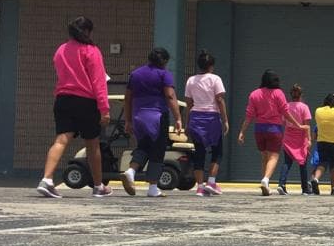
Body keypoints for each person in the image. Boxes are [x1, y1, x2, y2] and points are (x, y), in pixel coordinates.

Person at [36, 17, 109, 198]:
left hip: (63, 98)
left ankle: (46, 179)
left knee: (61, 140)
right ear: (88, 31)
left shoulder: (61, 50)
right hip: (85, 101)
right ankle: (98, 186)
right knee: (92, 144)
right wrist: (104, 109)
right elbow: (99, 82)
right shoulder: (91, 51)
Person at [121, 48, 183, 198]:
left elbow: (128, 98)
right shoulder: (164, 74)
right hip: (157, 116)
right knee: (157, 150)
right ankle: (153, 187)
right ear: (165, 61)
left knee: (144, 146)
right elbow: (170, 96)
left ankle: (131, 171)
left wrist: (128, 120)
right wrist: (178, 118)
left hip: (138, 117)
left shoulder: (135, 74)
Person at [237, 69, 308, 196]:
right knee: (274, 156)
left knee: (264, 157)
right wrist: (298, 125)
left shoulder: (254, 94)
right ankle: (265, 180)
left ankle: (266, 184)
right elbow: (285, 112)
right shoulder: (278, 93)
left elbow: (249, 115)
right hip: (274, 129)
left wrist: (242, 132)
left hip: (259, 129)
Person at [184, 50, 228, 196]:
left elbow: (189, 104)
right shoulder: (215, 79)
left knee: (199, 152)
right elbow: (219, 100)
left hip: (196, 117)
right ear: (211, 66)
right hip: (211, 117)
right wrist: (225, 120)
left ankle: (199, 187)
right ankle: (211, 182)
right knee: (217, 151)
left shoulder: (191, 80)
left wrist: (187, 123)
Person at [277, 83, 312, 196]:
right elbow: (307, 125)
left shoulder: (286, 106)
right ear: (301, 95)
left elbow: (283, 122)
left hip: (288, 136)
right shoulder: (304, 107)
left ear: (291, 95)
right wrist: (309, 140)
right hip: (301, 138)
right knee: (303, 163)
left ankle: (281, 184)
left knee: (287, 162)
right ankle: (305, 189)